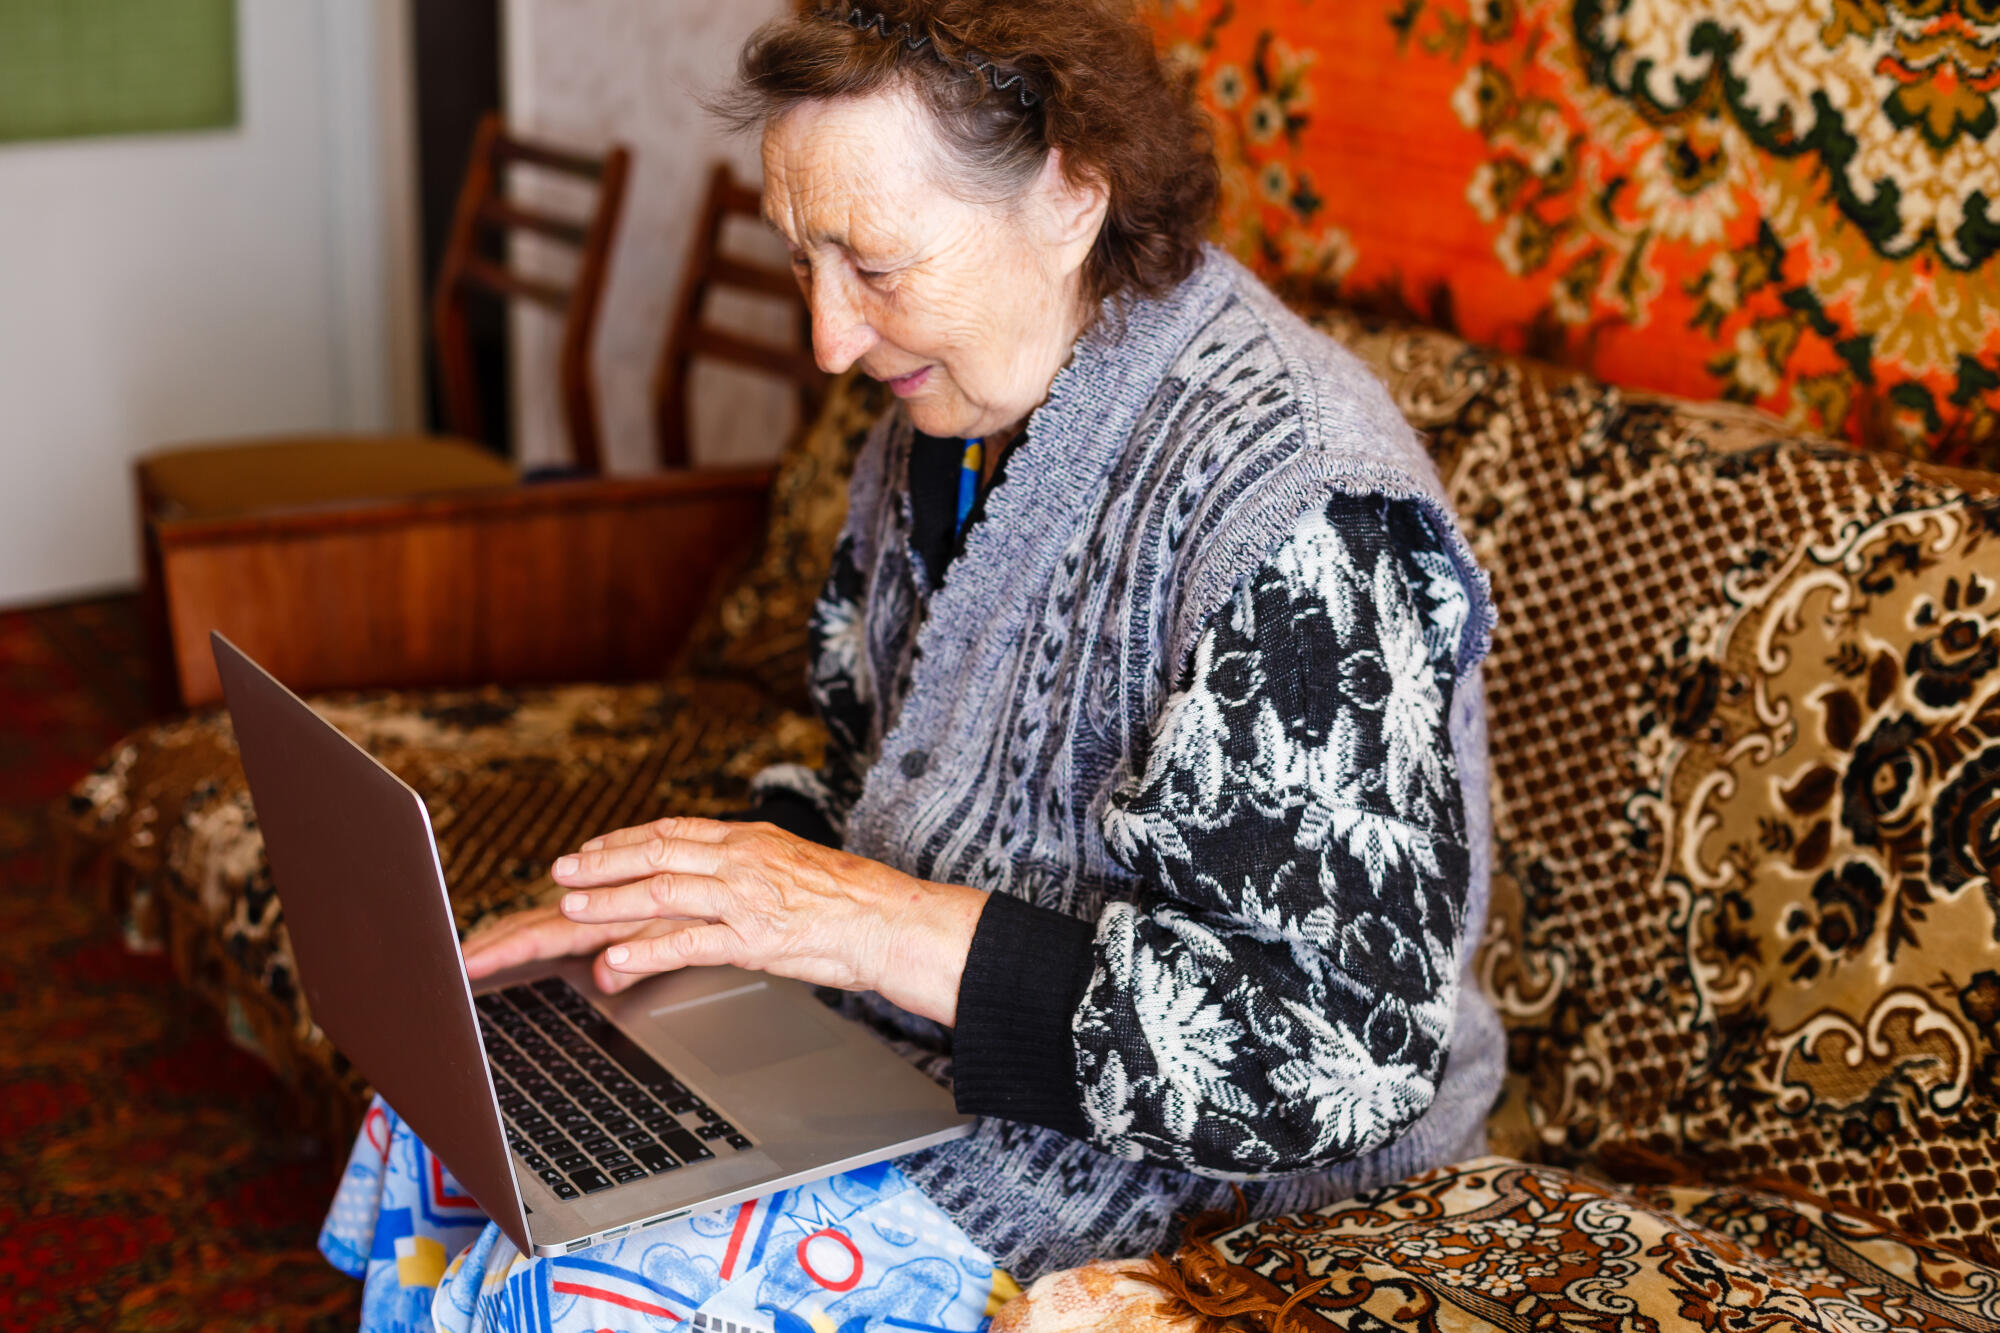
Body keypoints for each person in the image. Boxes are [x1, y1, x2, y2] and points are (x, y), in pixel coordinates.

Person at [319, 1, 1503, 1328]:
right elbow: (868, 772)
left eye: (876, 266)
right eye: (803, 261)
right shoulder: (946, 412)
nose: (829, 339)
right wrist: (680, 905)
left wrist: (864, 921)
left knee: (569, 1293)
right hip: (898, 1072)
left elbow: (1340, 1052)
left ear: (1073, 195)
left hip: (1193, 1192)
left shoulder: (1300, 514)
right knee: (456, 1103)